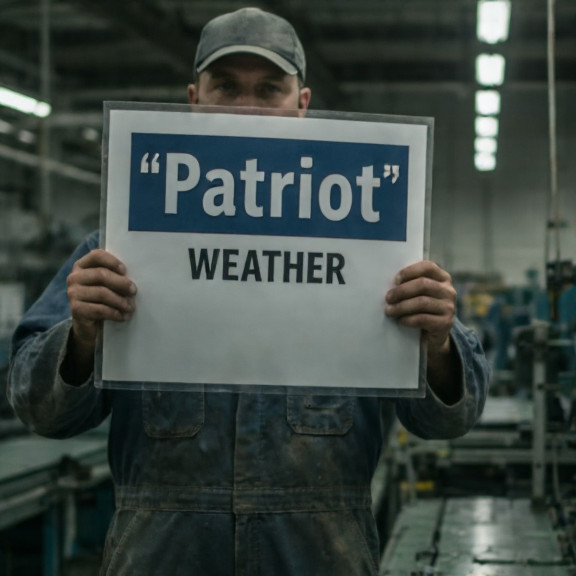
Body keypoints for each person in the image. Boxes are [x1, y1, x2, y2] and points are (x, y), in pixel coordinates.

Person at [8, 7, 489, 576]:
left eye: (268, 90)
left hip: (317, 553)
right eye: (226, 88)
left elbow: (452, 420)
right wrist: (82, 337)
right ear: (193, 98)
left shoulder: (378, 250)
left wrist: (435, 345)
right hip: (164, 553)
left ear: (302, 105)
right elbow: (38, 409)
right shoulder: (120, 246)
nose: (246, 109)